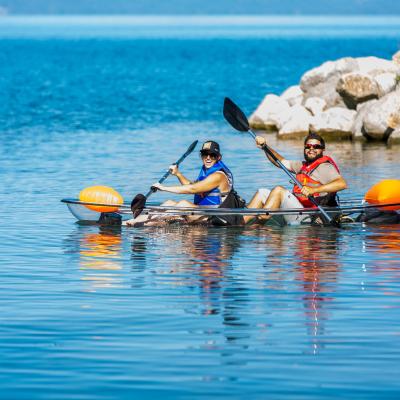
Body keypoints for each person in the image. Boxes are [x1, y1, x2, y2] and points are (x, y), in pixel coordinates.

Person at [126, 141, 244, 226]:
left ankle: (141, 222)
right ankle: (140, 219)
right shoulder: (206, 170)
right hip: (202, 211)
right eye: (205, 154)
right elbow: (191, 185)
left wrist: (163, 188)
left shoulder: (218, 176)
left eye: (212, 155)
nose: (208, 158)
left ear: (219, 157)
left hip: (216, 217)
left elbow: (192, 190)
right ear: (201, 155)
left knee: (182, 203)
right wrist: (177, 173)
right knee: (169, 202)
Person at [244, 132, 348, 225]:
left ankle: (256, 226)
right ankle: (240, 222)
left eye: (316, 146)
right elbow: (280, 162)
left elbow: (342, 184)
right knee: (262, 192)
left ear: (322, 149)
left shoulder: (325, 167)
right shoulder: (302, 166)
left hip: (310, 217)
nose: (311, 149)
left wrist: (314, 190)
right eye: (308, 146)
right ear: (304, 148)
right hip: (299, 209)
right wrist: (265, 147)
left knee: (279, 190)